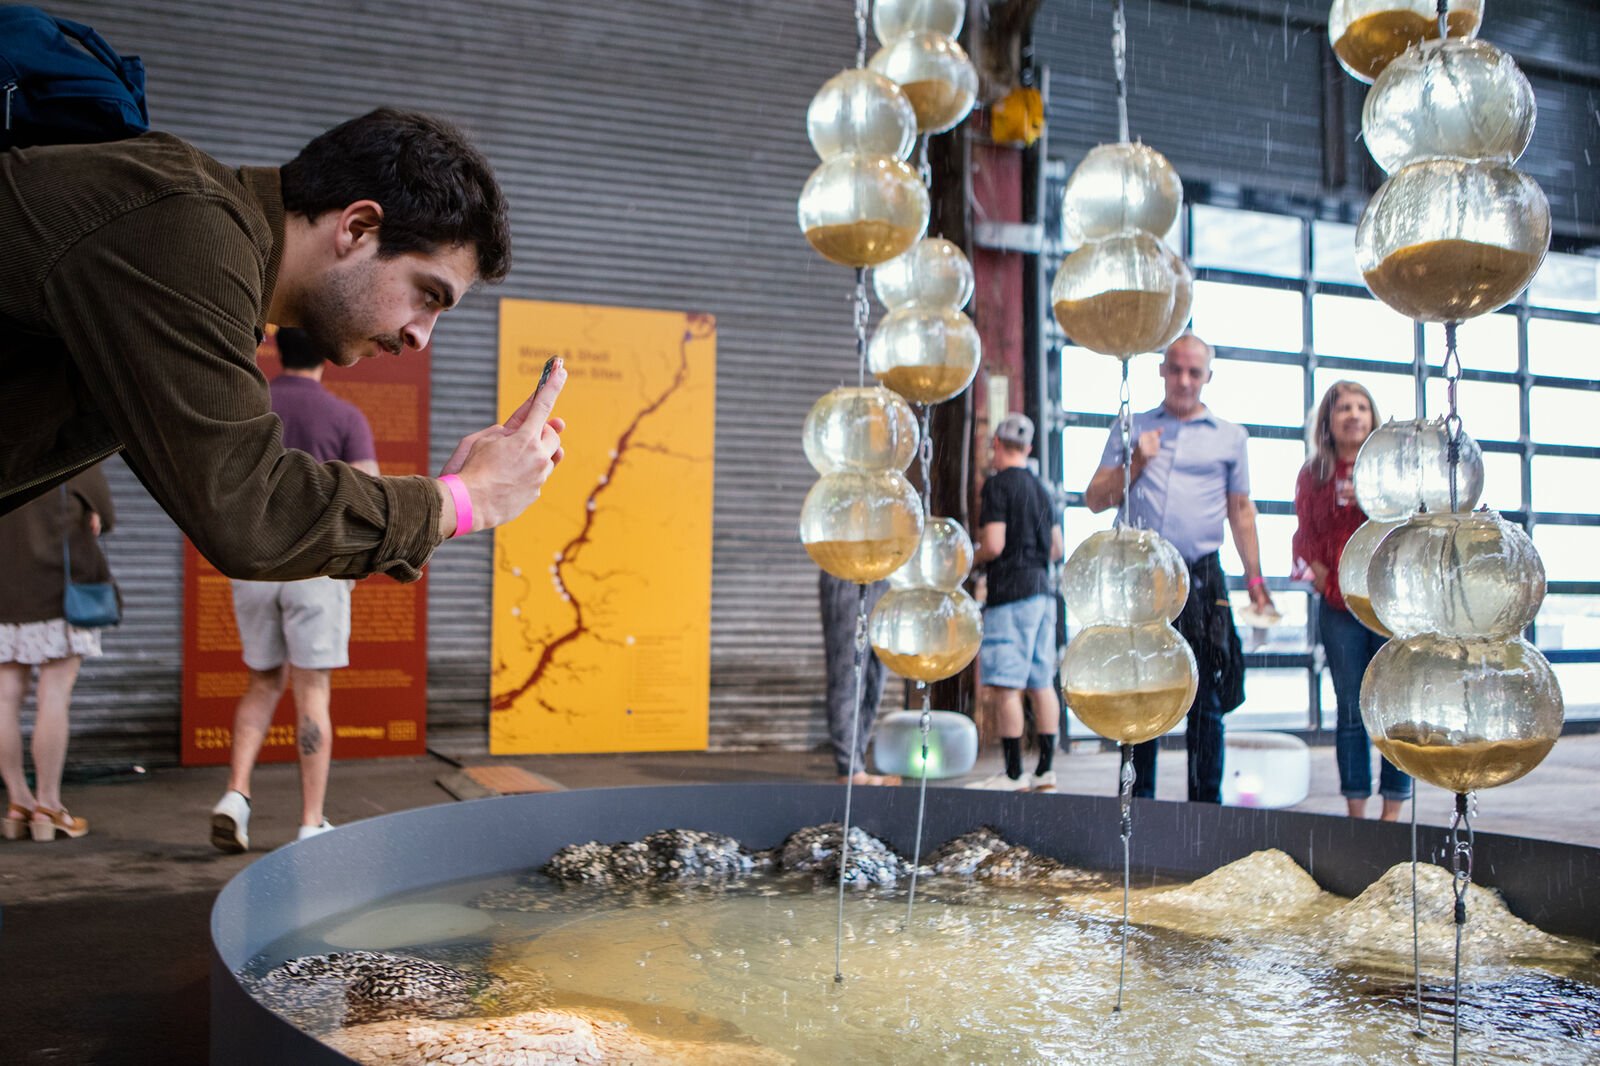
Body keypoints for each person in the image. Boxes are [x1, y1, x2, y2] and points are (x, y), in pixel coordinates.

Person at [1, 108, 565, 584]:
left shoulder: (208, 251)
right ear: (359, 227)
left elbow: (241, 504)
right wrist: (468, 499)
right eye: (428, 294)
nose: (421, 336)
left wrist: (449, 499)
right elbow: (252, 513)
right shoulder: (189, 230)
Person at [1083, 334, 1273, 803]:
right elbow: (1094, 500)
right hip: (1140, 578)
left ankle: (1206, 810)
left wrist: (1256, 581)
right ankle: (1137, 805)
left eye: (1194, 372)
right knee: (1140, 694)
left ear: (1208, 376)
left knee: (1207, 701)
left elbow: (1241, 511)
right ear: (1162, 371)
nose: (1184, 380)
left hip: (1203, 576)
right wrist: (1138, 460)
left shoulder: (1232, 437)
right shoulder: (1133, 425)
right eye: (1176, 369)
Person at [210, 329, 378, 852]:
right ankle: (310, 822)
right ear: (327, 356)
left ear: (277, 353)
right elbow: (370, 498)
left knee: (262, 683)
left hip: (254, 568)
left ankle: (235, 798)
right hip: (315, 572)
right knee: (312, 693)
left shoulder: (254, 409)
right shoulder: (345, 418)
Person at [1293, 381, 1411, 821]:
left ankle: (1392, 817)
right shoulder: (1314, 474)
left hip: (1389, 609)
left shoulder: (1391, 471)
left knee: (1394, 709)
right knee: (1350, 710)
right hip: (1339, 608)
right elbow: (1306, 533)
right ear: (1328, 420)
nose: (1354, 415)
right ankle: (1357, 814)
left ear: (1372, 417)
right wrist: (1329, 580)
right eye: (1344, 408)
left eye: (1362, 407)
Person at [0, 466, 117, 842]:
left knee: (4, 699)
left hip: (4, 593)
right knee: (53, 696)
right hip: (60, 593)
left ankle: (18, 802)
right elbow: (106, 516)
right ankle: (48, 807)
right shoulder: (69, 450)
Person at [968, 413, 1064, 791]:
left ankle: (1012, 774)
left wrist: (967, 557)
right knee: (1041, 682)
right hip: (1043, 593)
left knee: (1006, 685)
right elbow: (1056, 548)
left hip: (1010, 593)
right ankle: (1045, 770)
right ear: (1028, 448)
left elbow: (993, 544)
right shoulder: (1042, 489)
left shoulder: (997, 486)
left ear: (996, 444)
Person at [819, 573, 898, 785]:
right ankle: (849, 769)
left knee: (876, 676)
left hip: (887, 576)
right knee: (847, 672)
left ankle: (857, 762)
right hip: (848, 571)